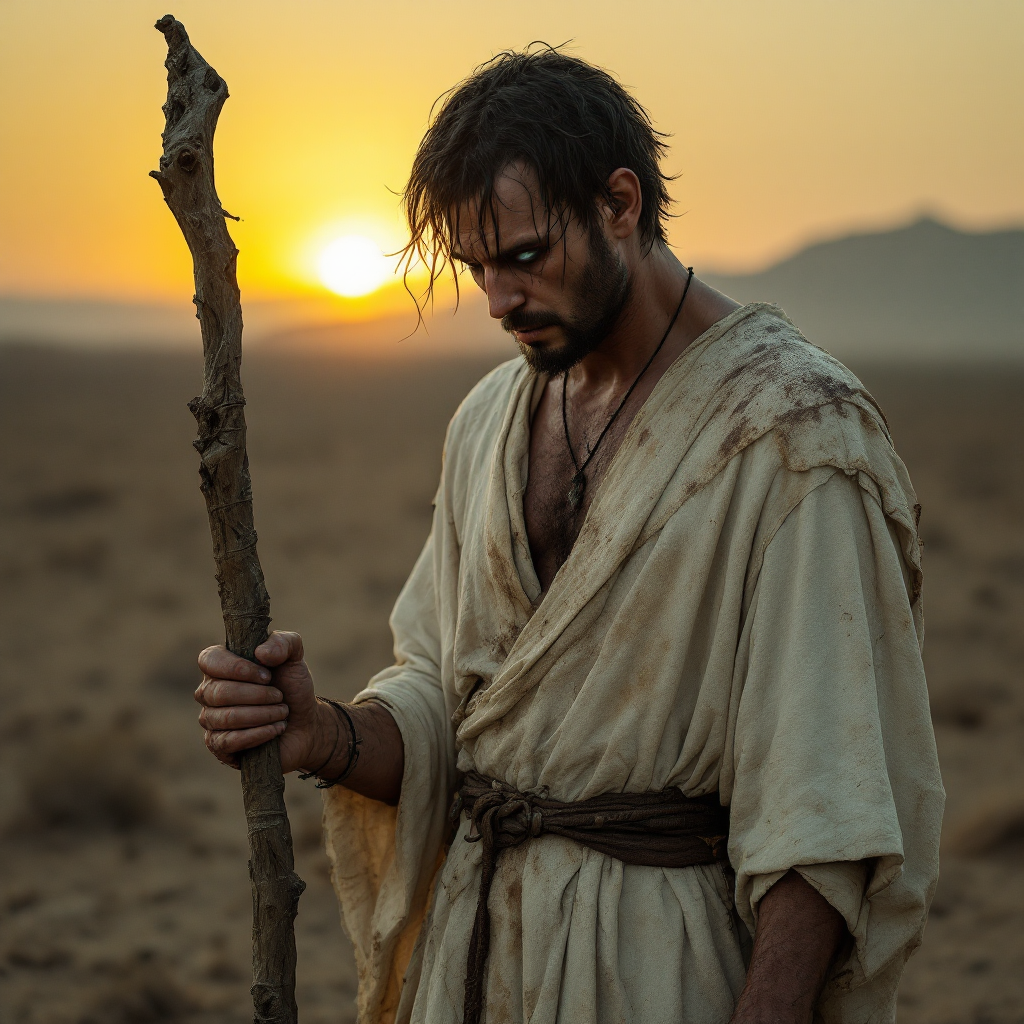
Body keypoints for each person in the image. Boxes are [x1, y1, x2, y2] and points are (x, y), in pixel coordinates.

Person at [194, 47, 943, 1024]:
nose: (498, 300)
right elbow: (452, 702)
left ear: (619, 205)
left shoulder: (795, 435)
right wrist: (326, 734)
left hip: (656, 968)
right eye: (476, 268)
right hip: (473, 950)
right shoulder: (491, 418)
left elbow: (824, 802)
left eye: (525, 255)